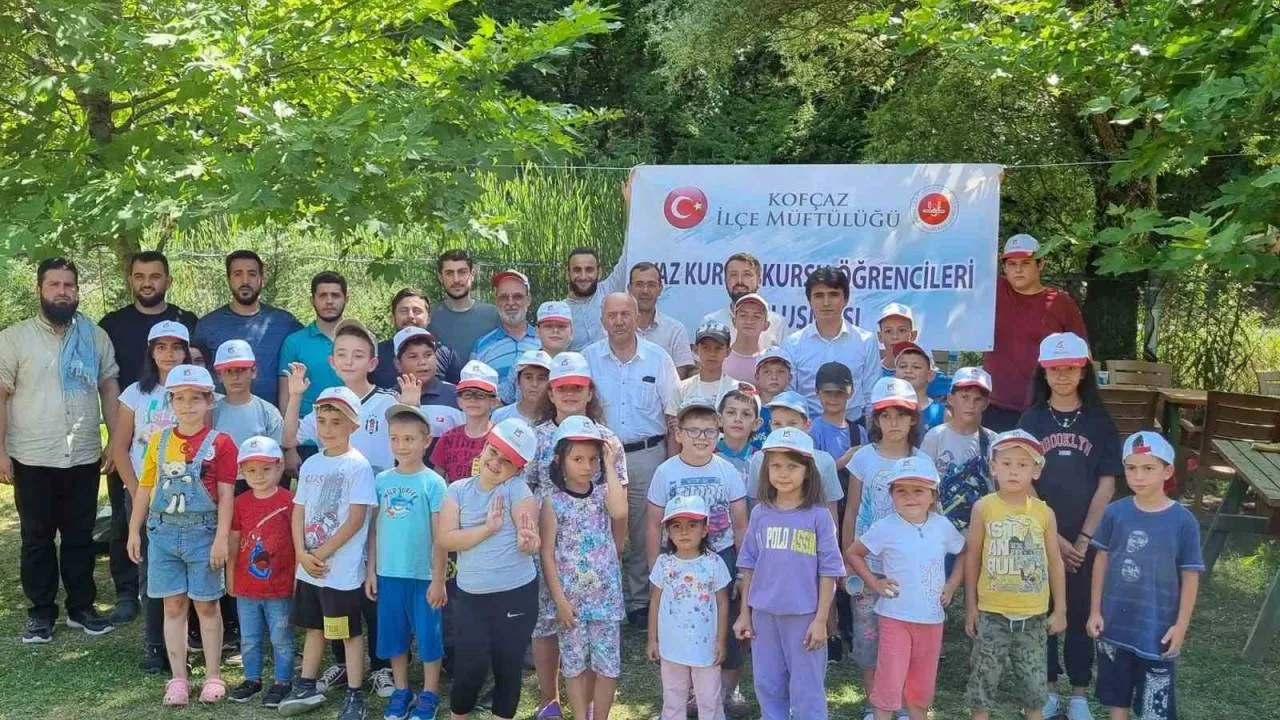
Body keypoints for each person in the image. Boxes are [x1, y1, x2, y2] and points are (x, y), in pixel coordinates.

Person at [0, 257, 121, 643]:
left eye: (69, 285)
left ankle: (81, 608)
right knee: (36, 538)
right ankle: (41, 613)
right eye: (54, 284)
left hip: (82, 453)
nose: (62, 292)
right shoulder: (14, 339)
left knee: (80, 536)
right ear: (39, 289)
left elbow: (109, 387)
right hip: (32, 454)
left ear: (77, 291)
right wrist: (0, 451)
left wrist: (115, 441)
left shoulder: (95, 337)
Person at [284, 320, 398, 698]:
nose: (350, 361)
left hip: (378, 512)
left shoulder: (388, 402)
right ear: (332, 361)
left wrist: (412, 405)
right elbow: (289, 438)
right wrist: (296, 395)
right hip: (334, 517)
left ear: (372, 361)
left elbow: (408, 440)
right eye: (342, 354)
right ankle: (342, 663)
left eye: (358, 354)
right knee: (335, 588)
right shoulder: (324, 404)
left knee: (372, 588)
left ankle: (380, 667)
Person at [1018, 332, 1121, 720]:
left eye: (1070, 368)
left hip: (1084, 540)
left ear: (1083, 372)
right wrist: (1053, 536)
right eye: (1054, 369)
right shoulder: (1031, 419)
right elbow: (1022, 481)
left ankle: (1079, 693)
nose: (1061, 376)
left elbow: (1107, 483)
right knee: (1040, 610)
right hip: (1040, 533)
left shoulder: (1099, 421)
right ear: (1043, 373)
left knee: (1080, 611)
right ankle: (1047, 690)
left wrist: (1084, 538)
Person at [525, 352, 630, 720]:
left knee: (599, 647)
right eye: (562, 387)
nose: (570, 393)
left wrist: (615, 551)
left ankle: (590, 708)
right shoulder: (537, 436)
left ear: (589, 392)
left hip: (598, 561)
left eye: (577, 387)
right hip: (553, 549)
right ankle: (550, 699)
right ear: (551, 392)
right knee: (548, 624)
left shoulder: (607, 440)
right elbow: (526, 490)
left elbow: (618, 506)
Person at [125, 364, 237, 705]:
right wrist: (134, 531)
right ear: (171, 402)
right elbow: (145, 488)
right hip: (162, 533)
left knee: (206, 604)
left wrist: (221, 538)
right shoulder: (158, 442)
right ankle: (178, 678)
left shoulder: (222, 444)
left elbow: (227, 495)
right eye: (180, 399)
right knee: (172, 605)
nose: (188, 406)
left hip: (204, 534)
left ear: (209, 402)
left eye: (196, 399)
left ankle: (213, 675)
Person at [99, 250, 198, 623]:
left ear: (167, 280)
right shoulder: (113, 324)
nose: (147, 282)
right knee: (129, 526)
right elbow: (108, 381)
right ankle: (130, 595)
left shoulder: (187, 321)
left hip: (185, 480)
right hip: (137, 453)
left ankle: (187, 612)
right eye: (139, 276)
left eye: (155, 276)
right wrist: (133, 481)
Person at [276, 386, 378, 720]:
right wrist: (301, 554)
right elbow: (299, 511)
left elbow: (356, 519)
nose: (327, 428)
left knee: (347, 632)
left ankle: (355, 694)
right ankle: (306, 684)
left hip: (340, 571)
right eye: (322, 421)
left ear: (353, 425)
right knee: (314, 627)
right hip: (310, 567)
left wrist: (320, 553)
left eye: (336, 422)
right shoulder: (311, 464)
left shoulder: (358, 466)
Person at [645, 397, 750, 716]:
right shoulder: (665, 472)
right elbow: (653, 525)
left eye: (708, 431)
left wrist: (742, 571)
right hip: (677, 560)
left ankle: (724, 691)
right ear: (678, 434)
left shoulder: (727, 470)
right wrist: (653, 569)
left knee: (726, 623)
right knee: (681, 619)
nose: (701, 438)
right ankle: (685, 690)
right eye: (693, 430)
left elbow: (740, 523)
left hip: (722, 557)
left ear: (719, 433)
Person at [1087, 432, 1203, 720]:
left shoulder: (1183, 521)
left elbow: (1190, 575)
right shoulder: (1114, 513)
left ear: (1167, 471)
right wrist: (1095, 611)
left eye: (1148, 468)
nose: (1138, 476)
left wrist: (1181, 626)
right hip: (1115, 624)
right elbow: (1101, 560)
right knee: (1117, 696)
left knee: (1155, 706)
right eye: (1131, 468)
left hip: (1157, 629)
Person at [733, 427, 844, 720]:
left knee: (807, 688)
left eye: (792, 467)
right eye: (776, 466)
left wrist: (821, 620)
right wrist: (744, 614)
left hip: (804, 617)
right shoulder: (760, 514)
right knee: (768, 684)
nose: (783, 474)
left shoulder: (819, 517)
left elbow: (829, 572)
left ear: (807, 471)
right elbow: (749, 566)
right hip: (764, 617)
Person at [584, 292, 680, 626]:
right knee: (599, 528)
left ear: (637, 318)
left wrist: (671, 465)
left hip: (646, 455)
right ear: (603, 320)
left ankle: (639, 601)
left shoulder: (658, 359)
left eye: (626, 314)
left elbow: (673, 415)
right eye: (612, 315)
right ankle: (603, 597)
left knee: (643, 530)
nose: (619, 321)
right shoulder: (588, 358)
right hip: (597, 457)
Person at [845, 457, 966, 720]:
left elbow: (963, 552)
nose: (910, 497)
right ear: (891, 496)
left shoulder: (942, 526)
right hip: (895, 618)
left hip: (932, 619)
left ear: (933, 495)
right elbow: (854, 553)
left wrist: (951, 585)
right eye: (901, 491)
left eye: (918, 490)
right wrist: (874, 582)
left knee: (921, 688)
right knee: (889, 683)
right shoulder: (885, 527)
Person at [437, 418, 542, 720]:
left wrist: (529, 542)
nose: (496, 462)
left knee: (508, 668)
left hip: (516, 594)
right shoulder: (457, 490)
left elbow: (530, 536)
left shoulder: (517, 489)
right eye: (493, 452)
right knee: (469, 670)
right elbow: (446, 539)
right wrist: (487, 529)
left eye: (507, 461)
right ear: (484, 447)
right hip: (471, 598)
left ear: (518, 469)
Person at [964, 430, 1068, 720]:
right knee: (982, 687)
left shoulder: (1044, 513)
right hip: (992, 614)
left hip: (1033, 617)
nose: (1013, 471)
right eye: (1006, 463)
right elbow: (972, 558)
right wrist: (971, 606)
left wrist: (1060, 609)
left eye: (1022, 464)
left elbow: (1055, 563)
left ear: (1036, 470)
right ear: (993, 467)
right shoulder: (983, 508)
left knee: (1034, 690)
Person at [843, 377, 929, 720]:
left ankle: (904, 704)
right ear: (875, 420)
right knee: (869, 638)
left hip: (906, 568)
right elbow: (851, 509)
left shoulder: (921, 460)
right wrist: (847, 559)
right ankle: (874, 703)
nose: (893, 422)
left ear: (913, 419)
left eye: (901, 414)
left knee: (905, 637)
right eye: (885, 415)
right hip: (867, 566)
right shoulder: (864, 458)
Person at [110, 320, 190, 663]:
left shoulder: (197, 392)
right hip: (144, 493)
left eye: (176, 347)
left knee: (186, 563)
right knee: (151, 568)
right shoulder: (135, 394)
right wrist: (136, 491)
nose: (169, 354)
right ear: (150, 352)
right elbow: (119, 448)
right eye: (161, 347)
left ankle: (187, 640)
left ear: (186, 352)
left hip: (186, 496)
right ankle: (155, 643)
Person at [539, 416, 628, 720]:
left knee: (607, 666)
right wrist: (560, 602)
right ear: (560, 460)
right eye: (577, 459)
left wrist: (610, 465)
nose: (587, 466)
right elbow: (547, 555)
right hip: (571, 604)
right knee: (574, 666)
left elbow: (620, 511)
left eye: (593, 459)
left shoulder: (604, 494)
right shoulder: (553, 502)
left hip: (606, 601)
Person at [365, 405, 449, 720]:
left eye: (409, 439)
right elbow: (374, 530)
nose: (401, 445)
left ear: (426, 441)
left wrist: (438, 579)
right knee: (394, 636)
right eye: (395, 438)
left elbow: (441, 537)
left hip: (424, 576)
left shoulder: (433, 483)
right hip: (389, 574)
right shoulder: (381, 481)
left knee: (428, 638)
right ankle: (401, 690)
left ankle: (429, 693)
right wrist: (371, 570)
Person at [984, 234, 1088, 431]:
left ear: (1041, 264)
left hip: (1045, 407)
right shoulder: (993, 290)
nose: (1018, 269)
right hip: (994, 405)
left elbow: (1083, 355)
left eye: (1026, 263)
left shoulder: (1060, 302)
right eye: (1012, 264)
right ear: (1004, 268)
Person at [647, 495, 732, 720]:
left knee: (709, 698)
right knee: (673, 696)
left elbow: (723, 602)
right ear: (668, 531)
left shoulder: (714, 563)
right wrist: (652, 639)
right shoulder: (664, 564)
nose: (684, 532)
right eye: (677, 526)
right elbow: (655, 601)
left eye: (692, 525)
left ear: (705, 530)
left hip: (706, 647)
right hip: (671, 646)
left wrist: (721, 641)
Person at [227, 436, 296, 708]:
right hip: (247, 587)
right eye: (252, 470)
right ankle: (252, 679)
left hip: (280, 586)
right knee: (249, 638)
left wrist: (297, 578)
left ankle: (283, 681)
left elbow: (298, 541)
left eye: (266, 469)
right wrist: (230, 577)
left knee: (281, 637)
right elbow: (234, 542)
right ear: (242, 471)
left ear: (279, 467)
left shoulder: (290, 501)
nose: (259, 475)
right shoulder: (240, 503)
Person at [193, 249, 302, 407]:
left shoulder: (284, 322)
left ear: (261, 279)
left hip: (272, 417)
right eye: (238, 274)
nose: (245, 280)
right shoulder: (207, 325)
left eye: (252, 274)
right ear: (229, 280)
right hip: (221, 415)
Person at [781, 265, 881, 421]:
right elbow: (789, 395)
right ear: (809, 301)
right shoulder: (792, 344)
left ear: (845, 299)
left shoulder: (866, 341)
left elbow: (872, 395)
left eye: (833, 295)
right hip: (807, 427)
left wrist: (868, 433)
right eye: (819, 296)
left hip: (854, 426)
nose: (826, 302)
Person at [745, 391, 847, 524]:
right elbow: (755, 504)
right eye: (777, 424)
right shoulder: (759, 459)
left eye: (792, 424)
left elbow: (831, 512)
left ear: (807, 425)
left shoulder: (824, 461)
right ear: (770, 425)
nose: (785, 430)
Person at [922, 367, 997, 535]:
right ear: (951, 399)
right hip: (940, 528)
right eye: (964, 397)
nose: (971, 405)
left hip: (981, 530)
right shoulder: (935, 437)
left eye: (977, 399)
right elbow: (923, 484)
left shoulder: (993, 441)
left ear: (986, 404)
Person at [277, 272, 348, 419]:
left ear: (346, 299)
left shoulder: (363, 340)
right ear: (312, 300)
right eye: (322, 296)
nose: (329, 301)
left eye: (335, 295)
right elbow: (285, 394)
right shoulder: (294, 342)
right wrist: (288, 427)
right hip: (305, 429)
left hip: (352, 426)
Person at [473, 269, 541, 404]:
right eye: (504, 297)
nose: (510, 303)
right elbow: (473, 390)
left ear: (528, 300)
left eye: (517, 297)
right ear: (496, 301)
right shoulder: (482, 346)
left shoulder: (544, 341)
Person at [372, 288, 464, 388]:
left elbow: (461, 392)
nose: (411, 316)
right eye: (404, 311)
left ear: (428, 318)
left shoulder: (446, 354)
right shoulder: (376, 354)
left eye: (417, 311)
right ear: (392, 318)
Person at [429, 361, 499, 483]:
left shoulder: (501, 438)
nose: (473, 400)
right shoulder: (448, 438)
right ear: (459, 401)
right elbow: (437, 480)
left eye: (480, 395)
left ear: (494, 402)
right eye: (467, 395)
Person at [427, 249, 500, 365]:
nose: (456, 279)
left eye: (462, 272)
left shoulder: (493, 315)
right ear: (440, 277)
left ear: (472, 275)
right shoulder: (429, 316)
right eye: (449, 273)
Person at [701, 252, 788, 348]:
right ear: (725, 280)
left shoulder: (777, 323)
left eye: (747, 275)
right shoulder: (711, 321)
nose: (739, 281)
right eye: (733, 275)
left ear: (759, 281)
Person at [389, 327, 463, 439]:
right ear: (398, 364)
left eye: (428, 355)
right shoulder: (388, 399)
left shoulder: (457, 396)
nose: (422, 362)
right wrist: (406, 409)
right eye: (413, 357)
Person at [212, 340, 284, 449]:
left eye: (241, 370)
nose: (235, 377)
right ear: (219, 376)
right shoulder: (210, 412)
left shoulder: (268, 412)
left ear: (253, 371)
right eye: (228, 371)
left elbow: (276, 453)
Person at [628, 262, 696, 378]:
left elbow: (678, 380)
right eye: (639, 284)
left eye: (651, 285)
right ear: (629, 289)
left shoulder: (676, 331)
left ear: (660, 289)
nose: (645, 291)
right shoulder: (618, 329)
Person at [875, 304, 951, 399]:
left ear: (913, 335)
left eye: (901, 330)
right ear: (880, 336)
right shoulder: (872, 373)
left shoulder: (927, 374)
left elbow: (958, 392)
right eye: (888, 331)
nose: (895, 336)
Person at [564, 246, 628, 351]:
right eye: (577, 270)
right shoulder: (561, 311)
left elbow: (627, 257)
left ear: (599, 272)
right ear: (567, 274)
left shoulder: (609, 290)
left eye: (589, 270)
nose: (583, 276)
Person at [678, 320, 747, 408]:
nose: (712, 354)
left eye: (718, 348)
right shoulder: (682, 388)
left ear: (728, 351)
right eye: (706, 348)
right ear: (695, 350)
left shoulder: (738, 389)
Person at [892, 342, 946, 431]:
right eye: (903, 366)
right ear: (894, 375)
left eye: (916, 367)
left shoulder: (942, 413)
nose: (908, 371)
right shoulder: (884, 410)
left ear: (930, 375)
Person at [493, 350, 552, 425]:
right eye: (528, 377)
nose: (534, 384)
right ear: (518, 381)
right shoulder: (500, 416)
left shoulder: (557, 418)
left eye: (541, 378)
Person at [715, 389, 763, 480]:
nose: (738, 419)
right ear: (719, 419)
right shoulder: (707, 456)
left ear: (756, 424)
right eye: (731, 412)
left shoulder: (761, 460)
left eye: (746, 414)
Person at [724, 293, 771, 382]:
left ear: (766, 325)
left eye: (756, 316)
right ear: (734, 321)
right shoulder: (720, 357)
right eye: (743, 315)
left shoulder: (770, 361)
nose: (749, 321)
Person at [751, 348, 792, 449]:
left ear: (790, 377)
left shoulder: (795, 408)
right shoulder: (750, 407)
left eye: (781, 372)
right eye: (767, 372)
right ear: (757, 376)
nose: (774, 377)